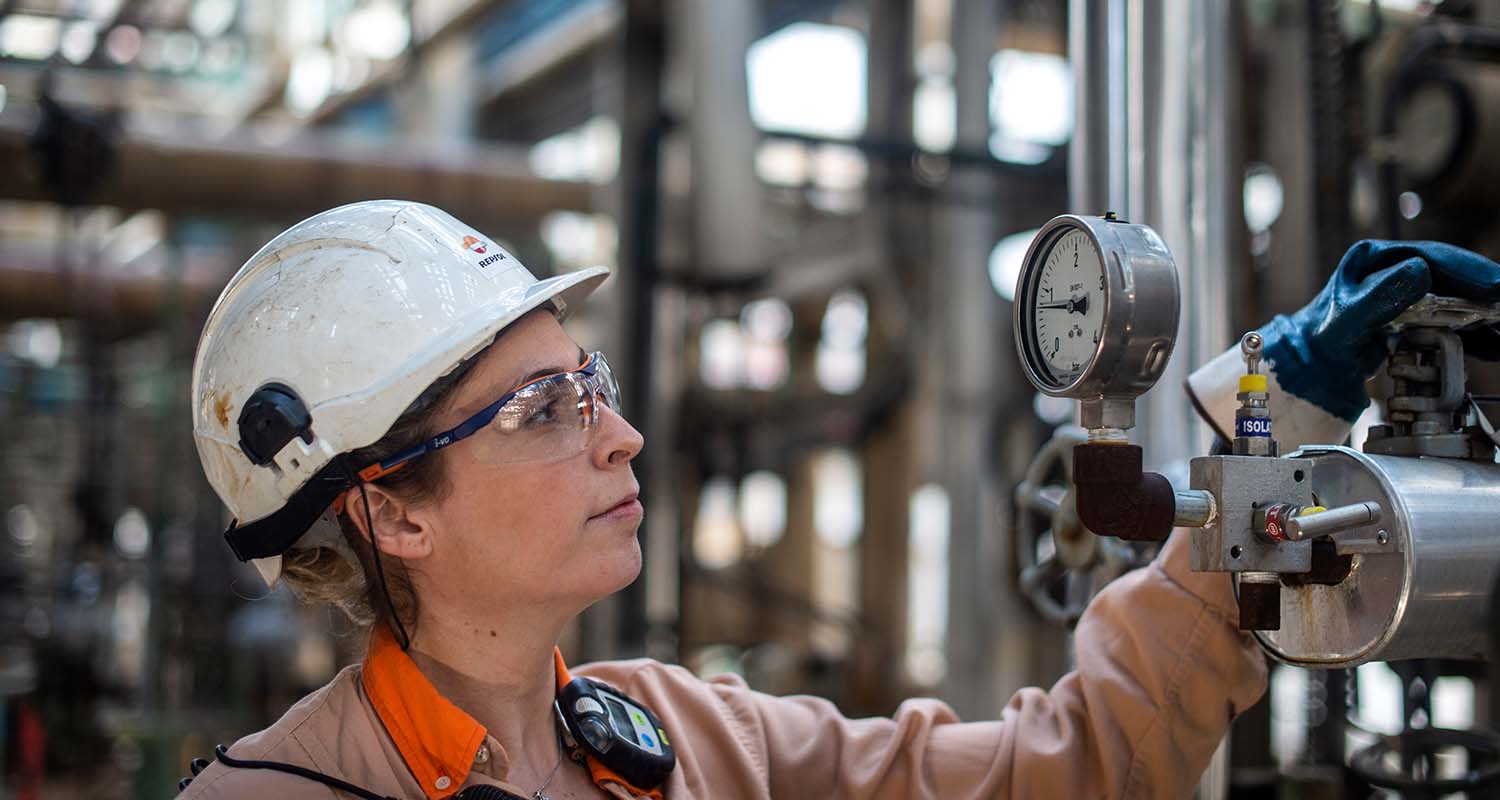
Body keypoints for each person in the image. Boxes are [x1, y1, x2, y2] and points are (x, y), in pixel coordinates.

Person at [177, 200, 1500, 800]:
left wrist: (1273, 410)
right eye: (544, 411)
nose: (623, 435)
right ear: (390, 512)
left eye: (591, 381)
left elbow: (1075, 771)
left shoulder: (692, 743)